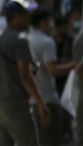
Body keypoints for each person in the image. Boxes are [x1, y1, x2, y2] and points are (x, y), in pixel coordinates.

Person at [0, 0, 51, 146]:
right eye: (26, 15)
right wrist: (41, 103)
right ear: (17, 17)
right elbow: (25, 75)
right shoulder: (20, 40)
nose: (29, 18)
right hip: (17, 104)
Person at [28, 8, 77, 146]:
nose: (52, 26)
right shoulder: (47, 42)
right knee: (50, 140)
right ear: (43, 23)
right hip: (47, 98)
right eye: (50, 22)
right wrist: (74, 65)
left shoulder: (27, 39)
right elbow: (52, 70)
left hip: (31, 98)